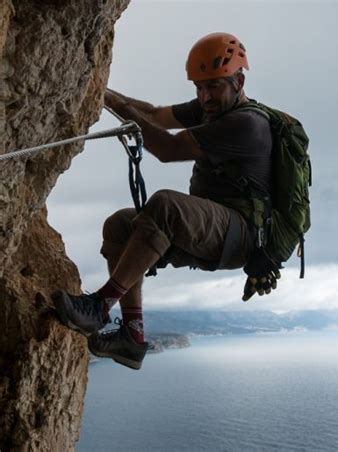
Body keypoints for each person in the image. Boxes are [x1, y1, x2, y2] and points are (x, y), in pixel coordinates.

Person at [52, 32, 279, 370]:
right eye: (199, 87)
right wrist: (103, 92)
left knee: (166, 206)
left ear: (239, 81)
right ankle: (132, 337)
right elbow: (156, 115)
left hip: (241, 233)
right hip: (215, 227)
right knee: (119, 226)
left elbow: (168, 149)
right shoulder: (210, 107)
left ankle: (99, 306)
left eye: (213, 86)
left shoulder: (247, 124)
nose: (204, 96)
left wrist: (117, 106)